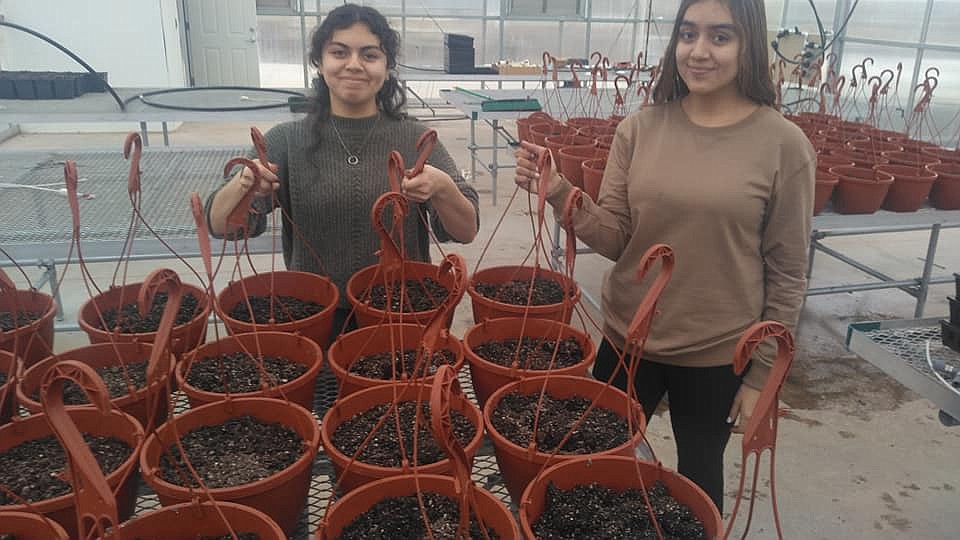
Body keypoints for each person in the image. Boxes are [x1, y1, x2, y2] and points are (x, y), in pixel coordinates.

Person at [513, 0, 814, 511]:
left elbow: (787, 271)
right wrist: (561, 191)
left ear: (750, 45)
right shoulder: (640, 129)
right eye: (688, 34)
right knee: (591, 468)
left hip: (718, 352)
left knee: (697, 483)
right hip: (627, 337)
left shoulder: (783, 146)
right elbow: (616, 238)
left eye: (720, 37)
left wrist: (762, 375)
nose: (699, 52)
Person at [207, 3, 479, 334]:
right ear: (319, 63)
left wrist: (444, 189)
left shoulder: (416, 139)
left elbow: (467, 230)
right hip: (311, 316)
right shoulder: (286, 140)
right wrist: (244, 183)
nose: (354, 65)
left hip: (401, 314)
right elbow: (220, 226)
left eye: (369, 55)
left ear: (387, 66)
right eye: (339, 52)